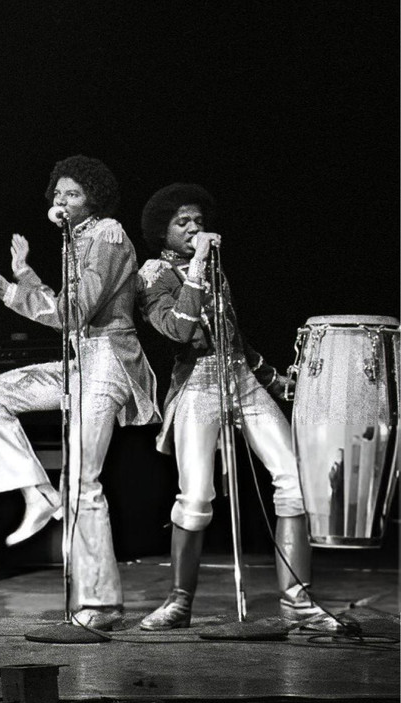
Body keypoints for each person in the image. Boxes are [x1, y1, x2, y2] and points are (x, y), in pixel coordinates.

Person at [0, 156, 159, 630]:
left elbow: (74, 313)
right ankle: (38, 494)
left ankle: (101, 604)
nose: (62, 201)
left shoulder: (108, 235)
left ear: (94, 198)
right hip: (80, 362)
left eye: (73, 194)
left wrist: (8, 292)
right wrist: (25, 274)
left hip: (108, 362)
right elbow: (65, 309)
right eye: (58, 193)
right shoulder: (76, 239)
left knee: (83, 482)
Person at [135, 183, 343, 633]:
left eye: (198, 220)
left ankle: (297, 601)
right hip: (198, 385)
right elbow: (178, 330)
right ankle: (178, 603)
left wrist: (275, 380)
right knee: (196, 497)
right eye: (182, 222)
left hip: (241, 380)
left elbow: (235, 339)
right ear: (162, 231)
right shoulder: (153, 274)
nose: (194, 228)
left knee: (295, 482)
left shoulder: (216, 270)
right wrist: (196, 267)